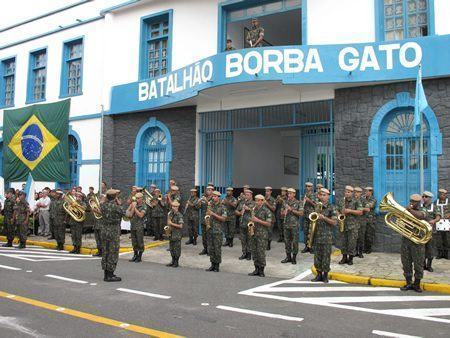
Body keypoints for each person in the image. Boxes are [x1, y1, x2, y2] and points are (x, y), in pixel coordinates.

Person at [400, 194, 428, 293]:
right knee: (406, 262)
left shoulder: (423, 209)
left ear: (419, 202)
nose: (412, 203)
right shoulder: (406, 209)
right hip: (406, 240)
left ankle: (417, 284)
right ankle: (408, 283)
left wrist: (409, 210)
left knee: (418, 263)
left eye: (415, 201)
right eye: (411, 201)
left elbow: (420, 216)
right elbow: (400, 220)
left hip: (418, 241)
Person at [311, 188, 338, 283]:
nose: (322, 197)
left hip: (327, 237)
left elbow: (334, 222)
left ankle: (325, 276)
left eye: (324, 195)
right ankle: (318, 275)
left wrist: (324, 218)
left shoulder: (332, 207)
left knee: (326, 257)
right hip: (317, 235)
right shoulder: (317, 206)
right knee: (317, 257)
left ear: (328, 196)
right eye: (321, 195)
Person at [100, 189, 125, 282]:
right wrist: (119, 203)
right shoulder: (116, 207)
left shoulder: (102, 206)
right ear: (115, 197)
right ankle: (110, 275)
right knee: (113, 252)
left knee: (105, 252)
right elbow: (127, 215)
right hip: (113, 232)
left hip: (104, 231)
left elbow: (101, 205)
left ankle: (106, 274)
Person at [337, 186, 363, 266]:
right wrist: (339, 214)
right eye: (346, 191)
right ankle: (344, 257)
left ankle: (350, 258)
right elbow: (337, 209)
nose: (347, 193)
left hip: (353, 226)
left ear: (352, 193)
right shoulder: (341, 200)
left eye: (349, 192)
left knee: (352, 243)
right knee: (343, 242)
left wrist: (350, 211)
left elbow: (360, 212)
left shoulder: (357, 201)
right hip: (343, 224)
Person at [249, 194, 273, 277]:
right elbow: (252, 220)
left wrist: (257, 220)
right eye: (256, 200)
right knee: (254, 252)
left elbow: (269, 224)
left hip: (262, 235)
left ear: (262, 201)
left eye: (258, 200)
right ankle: (256, 269)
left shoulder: (267, 211)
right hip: (253, 233)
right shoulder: (254, 209)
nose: (256, 202)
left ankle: (262, 270)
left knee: (261, 253)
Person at [281, 188, 304, 264]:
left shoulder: (298, 202)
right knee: (287, 242)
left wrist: (291, 210)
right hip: (286, 225)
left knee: (295, 242)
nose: (289, 195)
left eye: (291, 193)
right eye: (288, 193)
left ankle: (294, 257)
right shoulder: (285, 202)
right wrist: (284, 212)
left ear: (294, 194)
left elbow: (301, 213)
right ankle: (288, 257)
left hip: (294, 226)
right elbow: (281, 213)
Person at [205, 191, 227, 272]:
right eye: (213, 196)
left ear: (218, 197)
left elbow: (224, 219)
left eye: (214, 196)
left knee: (217, 248)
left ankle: (217, 266)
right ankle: (212, 264)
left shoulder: (222, 207)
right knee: (211, 248)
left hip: (218, 231)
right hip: (210, 229)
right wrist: (207, 215)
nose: (213, 197)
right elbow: (207, 215)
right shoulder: (210, 205)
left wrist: (213, 214)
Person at [422, 191, 440, 272]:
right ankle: (423, 265)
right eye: (423, 196)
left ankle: (429, 266)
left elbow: (438, 217)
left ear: (430, 198)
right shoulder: (420, 206)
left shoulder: (435, 206)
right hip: (421, 231)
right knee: (421, 248)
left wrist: (434, 221)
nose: (424, 198)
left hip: (431, 231)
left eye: (426, 197)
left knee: (430, 249)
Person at [127, 192, 147, 263]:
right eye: (136, 198)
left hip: (139, 226)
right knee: (134, 242)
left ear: (141, 198)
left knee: (139, 242)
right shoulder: (133, 204)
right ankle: (135, 255)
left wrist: (134, 208)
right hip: (133, 225)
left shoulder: (144, 206)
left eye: (138, 198)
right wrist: (131, 207)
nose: (137, 200)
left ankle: (139, 256)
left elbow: (141, 215)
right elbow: (128, 214)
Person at [236, 189, 255, 260]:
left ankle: (249, 254)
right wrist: (239, 213)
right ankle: (244, 253)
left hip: (250, 224)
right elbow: (236, 210)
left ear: (251, 195)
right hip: (242, 223)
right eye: (245, 195)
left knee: (250, 239)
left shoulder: (254, 203)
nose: (246, 196)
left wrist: (249, 209)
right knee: (243, 240)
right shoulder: (242, 203)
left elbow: (256, 211)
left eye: (248, 195)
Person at [166, 200, 184, 268]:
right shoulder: (170, 214)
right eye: (172, 206)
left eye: (174, 206)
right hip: (171, 233)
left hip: (177, 234)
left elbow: (181, 226)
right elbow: (168, 223)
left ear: (177, 207)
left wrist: (171, 224)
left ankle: (176, 262)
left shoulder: (179, 215)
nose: (173, 207)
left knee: (177, 249)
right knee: (172, 248)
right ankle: (172, 261)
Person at [199, 186, 214, 255]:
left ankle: (209, 250)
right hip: (203, 219)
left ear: (212, 191)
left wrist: (206, 201)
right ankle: (205, 249)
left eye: (210, 190)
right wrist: (199, 201)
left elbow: (212, 206)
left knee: (209, 236)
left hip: (210, 220)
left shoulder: (214, 198)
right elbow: (198, 207)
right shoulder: (203, 197)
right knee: (204, 236)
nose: (208, 191)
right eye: (207, 190)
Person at [302, 182, 316, 253]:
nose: (307, 188)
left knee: (311, 231)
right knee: (305, 231)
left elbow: (315, 205)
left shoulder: (314, 195)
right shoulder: (305, 195)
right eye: (306, 186)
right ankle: (306, 246)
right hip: (305, 215)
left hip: (311, 216)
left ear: (311, 187)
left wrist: (309, 200)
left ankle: (311, 247)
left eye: (309, 186)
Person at [436, 188, 449, 259]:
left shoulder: (448, 201)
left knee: (447, 238)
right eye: (441, 194)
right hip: (438, 222)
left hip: (447, 222)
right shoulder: (436, 202)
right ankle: (440, 253)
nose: (442, 196)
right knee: (439, 238)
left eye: (444, 194)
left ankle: (447, 254)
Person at [363, 187, 377, 254]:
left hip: (370, 219)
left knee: (369, 234)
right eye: (365, 191)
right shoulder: (363, 198)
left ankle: (369, 248)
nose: (365, 192)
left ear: (370, 192)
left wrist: (361, 206)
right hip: (363, 219)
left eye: (366, 191)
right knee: (363, 234)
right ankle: (364, 248)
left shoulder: (373, 199)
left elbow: (369, 206)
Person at [354, 187, 366, 258]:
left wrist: (359, 208)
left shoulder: (363, 200)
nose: (356, 193)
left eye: (358, 192)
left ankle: (360, 252)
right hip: (354, 221)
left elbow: (367, 209)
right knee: (354, 238)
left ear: (360, 193)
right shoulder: (352, 200)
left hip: (362, 221)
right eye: (355, 192)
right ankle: (355, 252)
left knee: (361, 238)